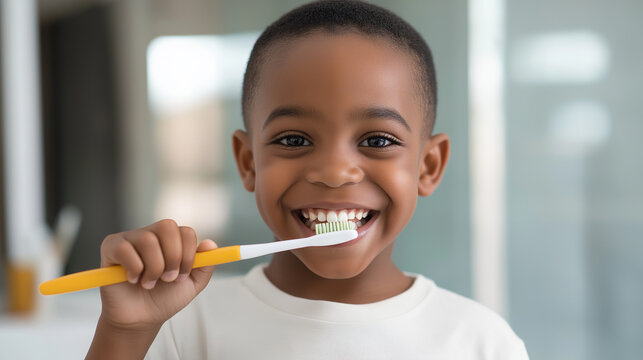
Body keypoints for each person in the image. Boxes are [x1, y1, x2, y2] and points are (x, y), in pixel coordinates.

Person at [86, 1, 529, 359]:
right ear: (248, 162)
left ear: (427, 167)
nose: (335, 173)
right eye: (294, 138)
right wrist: (124, 333)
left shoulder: (481, 344)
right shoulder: (180, 326)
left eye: (377, 140)